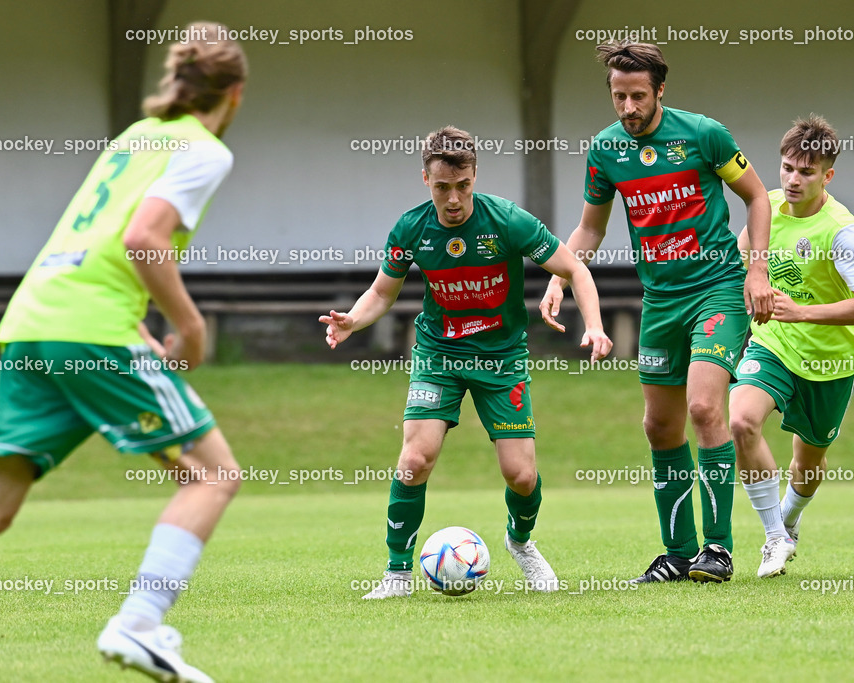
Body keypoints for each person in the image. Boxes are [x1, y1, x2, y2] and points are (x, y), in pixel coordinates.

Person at [0, 22, 246, 683]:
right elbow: (144, 238)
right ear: (235, 95)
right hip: (93, 327)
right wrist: (189, 329)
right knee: (213, 473)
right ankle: (138, 623)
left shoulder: (136, 137)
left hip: (34, 320)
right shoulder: (207, 150)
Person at [320, 126, 613, 599]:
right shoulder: (411, 228)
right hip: (440, 355)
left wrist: (595, 325)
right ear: (426, 180)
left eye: (462, 186)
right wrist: (353, 320)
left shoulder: (508, 221)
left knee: (521, 475)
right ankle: (397, 574)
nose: (453, 199)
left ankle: (520, 542)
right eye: (442, 187)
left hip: (501, 358)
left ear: (475, 177)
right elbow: (381, 291)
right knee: (415, 461)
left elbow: (574, 268)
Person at [542, 41, 775, 584]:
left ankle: (718, 550)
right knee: (659, 425)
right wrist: (559, 277)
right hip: (661, 302)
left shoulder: (704, 135)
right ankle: (677, 553)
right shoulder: (605, 150)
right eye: (619, 96)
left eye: (638, 96)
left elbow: (758, 198)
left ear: (661, 91)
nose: (628, 107)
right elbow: (592, 228)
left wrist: (757, 270)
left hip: (717, 288)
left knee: (703, 409)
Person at [730, 115, 854, 579]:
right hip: (773, 345)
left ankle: (789, 522)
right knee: (740, 419)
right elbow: (743, 272)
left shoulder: (841, 231)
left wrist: (802, 312)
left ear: (827, 176)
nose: (794, 179)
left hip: (830, 359)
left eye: (807, 171)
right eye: (788, 168)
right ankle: (774, 535)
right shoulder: (765, 211)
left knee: (808, 457)